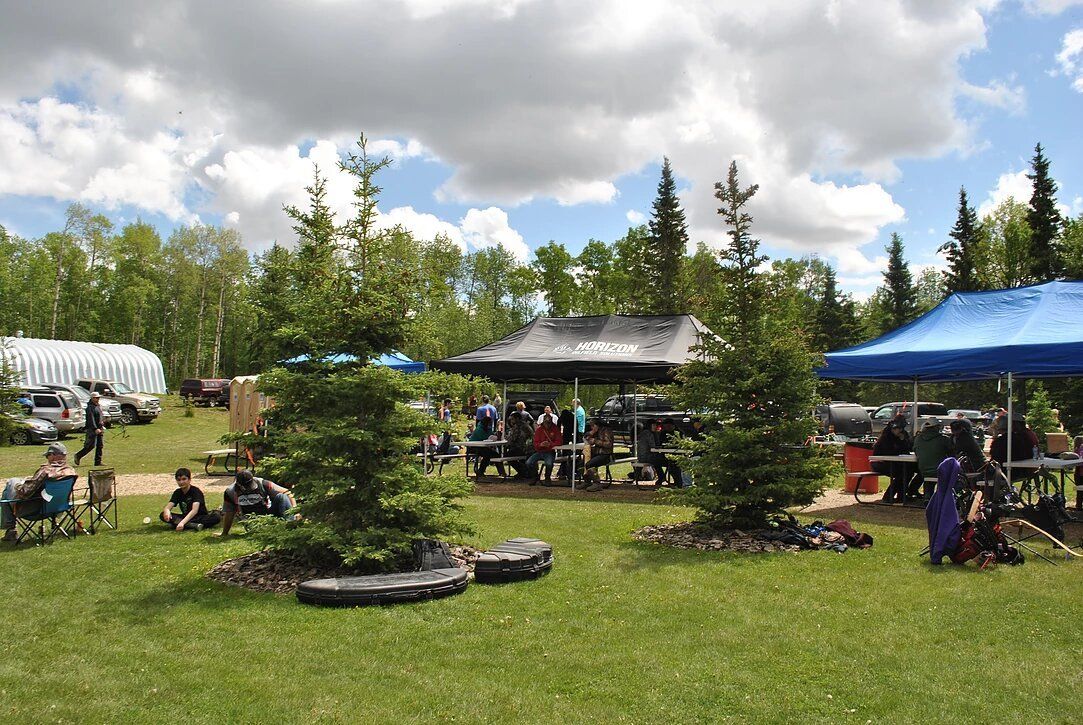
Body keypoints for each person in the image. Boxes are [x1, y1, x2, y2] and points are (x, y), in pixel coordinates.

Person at [2, 442, 78, 541]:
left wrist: (18, 485)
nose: (47, 458)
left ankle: (11, 530)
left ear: (52, 455)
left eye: (47, 456)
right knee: (9, 490)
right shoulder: (71, 471)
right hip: (58, 508)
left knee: (11, 483)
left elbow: (25, 492)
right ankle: (10, 530)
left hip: (34, 510)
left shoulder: (45, 471)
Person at [219, 470, 295, 536]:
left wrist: (295, 510)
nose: (249, 488)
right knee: (260, 531)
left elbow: (287, 492)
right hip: (251, 522)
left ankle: (291, 526)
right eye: (246, 486)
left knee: (281, 496)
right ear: (238, 484)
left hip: (268, 515)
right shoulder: (230, 492)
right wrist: (224, 533)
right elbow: (229, 513)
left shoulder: (262, 483)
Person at [872, 417, 912, 503]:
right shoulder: (886, 438)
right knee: (902, 473)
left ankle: (902, 496)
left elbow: (908, 449)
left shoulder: (903, 435)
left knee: (909, 471)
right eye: (897, 429)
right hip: (880, 463)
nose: (900, 431)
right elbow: (890, 452)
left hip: (894, 463)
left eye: (901, 428)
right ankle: (888, 496)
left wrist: (903, 441)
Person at [912, 420, 954, 500]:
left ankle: (927, 496)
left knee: (928, 473)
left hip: (923, 470)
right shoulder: (943, 439)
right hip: (939, 470)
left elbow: (915, 451)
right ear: (937, 427)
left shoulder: (918, 439)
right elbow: (952, 455)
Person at [526, 415, 562, 485]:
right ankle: (535, 477)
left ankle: (547, 478)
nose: (547, 424)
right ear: (543, 422)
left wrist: (550, 444)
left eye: (549, 423)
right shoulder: (539, 430)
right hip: (540, 451)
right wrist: (541, 444)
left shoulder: (555, 429)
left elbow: (559, 441)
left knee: (549, 464)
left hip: (550, 451)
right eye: (546, 422)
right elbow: (535, 443)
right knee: (529, 462)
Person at [74, 391, 105, 467]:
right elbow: (91, 419)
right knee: (90, 446)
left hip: (100, 428)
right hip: (92, 429)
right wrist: (95, 428)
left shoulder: (98, 406)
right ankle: (78, 455)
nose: (98, 399)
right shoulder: (90, 407)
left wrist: (102, 423)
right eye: (96, 398)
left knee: (100, 445)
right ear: (92, 398)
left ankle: (98, 462)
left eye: (98, 398)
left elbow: (100, 416)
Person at [583, 419, 615, 491]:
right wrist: (591, 433)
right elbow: (585, 437)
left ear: (597, 425)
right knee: (582, 462)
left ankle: (597, 483)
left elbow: (608, 444)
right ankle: (587, 482)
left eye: (593, 426)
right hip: (597, 453)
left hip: (606, 454)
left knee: (589, 464)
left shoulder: (606, 431)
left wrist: (595, 441)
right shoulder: (596, 432)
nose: (591, 428)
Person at [504, 411, 535, 479]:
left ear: (517, 418)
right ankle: (525, 472)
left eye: (512, 419)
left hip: (523, 449)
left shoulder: (517, 426)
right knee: (515, 454)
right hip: (530, 448)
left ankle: (523, 472)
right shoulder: (526, 425)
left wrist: (505, 438)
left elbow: (513, 439)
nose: (511, 421)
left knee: (506, 455)